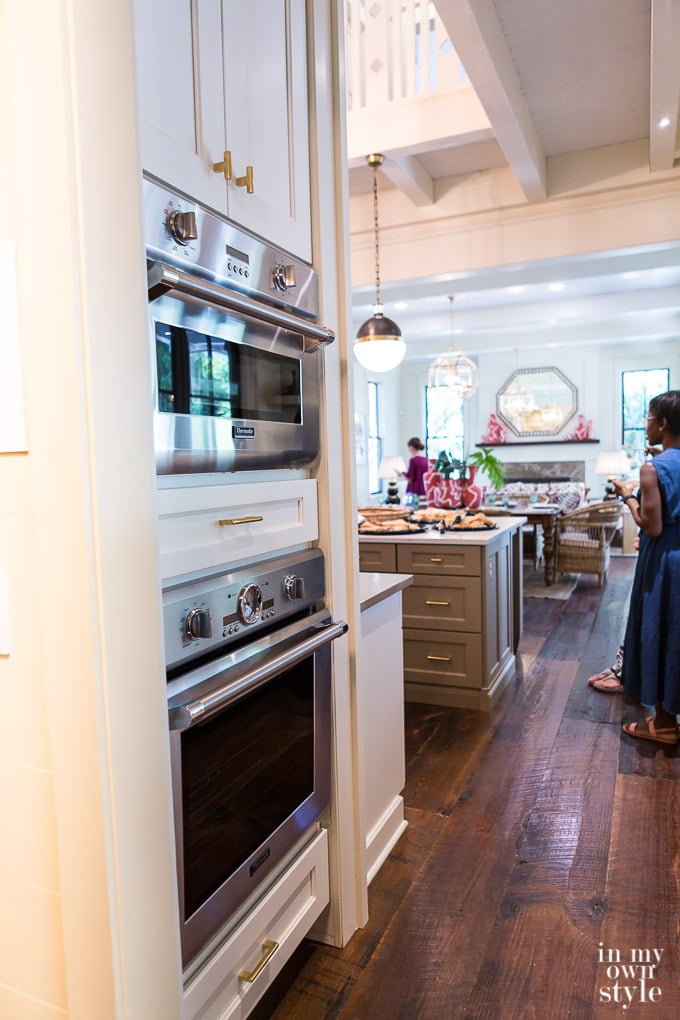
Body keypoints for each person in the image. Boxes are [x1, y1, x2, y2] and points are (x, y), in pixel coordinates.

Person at [610, 391, 680, 744]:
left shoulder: (651, 469)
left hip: (666, 560)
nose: (646, 425)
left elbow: (650, 525)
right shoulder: (662, 462)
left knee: (661, 629)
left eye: (649, 418)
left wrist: (628, 494)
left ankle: (665, 724)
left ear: (663, 423)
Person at [403, 437, 429, 501]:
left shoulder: (413, 460)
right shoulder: (426, 460)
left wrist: (402, 473)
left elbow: (410, 479)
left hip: (414, 491)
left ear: (411, 447)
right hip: (424, 490)